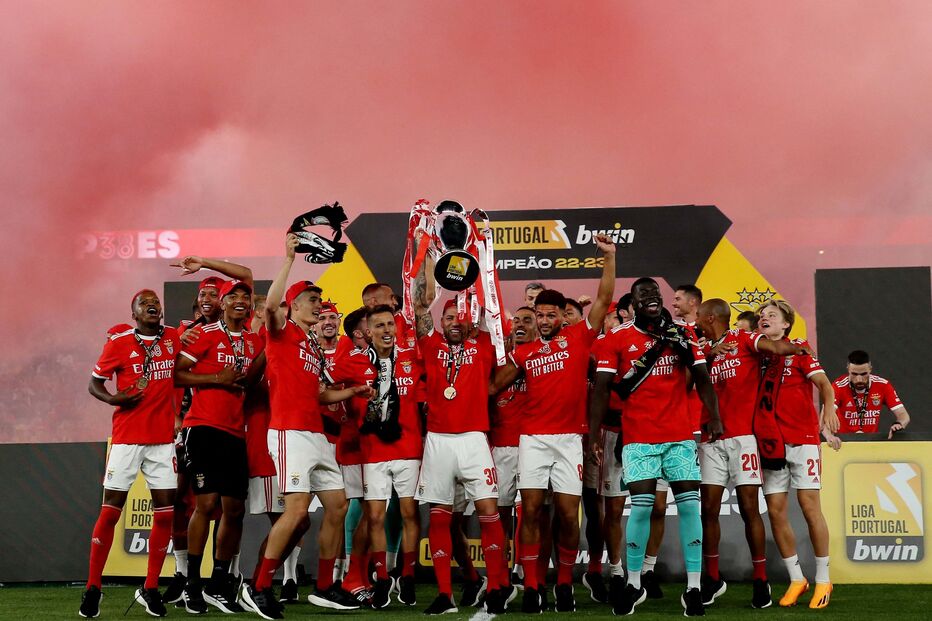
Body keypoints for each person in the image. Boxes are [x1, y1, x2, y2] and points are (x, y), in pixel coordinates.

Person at [244, 234, 371, 619]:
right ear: (294, 306)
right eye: (313, 299)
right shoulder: (280, 332)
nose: (319, 304)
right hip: (289, 433)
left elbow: (318, 395)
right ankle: (259, 585)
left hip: (315, 434)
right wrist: (287, 260)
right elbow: (269, 305)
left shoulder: (311, 345)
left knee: (337, 506)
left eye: (319, 300)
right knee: (297, 512)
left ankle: (326, 586)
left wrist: (353, 389)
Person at [492, 234, 616, 613]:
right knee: (529, 511)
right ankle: (532, 586)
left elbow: (604, 299)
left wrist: (608, 258)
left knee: (566, 514)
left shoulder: (579, 337)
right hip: (532, 440)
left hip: (568, 440)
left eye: (550, 315)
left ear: (562, 316)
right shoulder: (524, 352)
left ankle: (563, 583)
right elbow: (493, 386)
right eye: (539, 315)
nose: (544, 321)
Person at [590, 277, 723, 617]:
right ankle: (634, 583)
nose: (651, 296)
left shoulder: (682, 334)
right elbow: (602, 389)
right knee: (642, 508)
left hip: (679, 436)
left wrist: (715, 417)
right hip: (638, 438)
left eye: (655, 292)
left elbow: (703, 378)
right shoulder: (616, 339)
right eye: (642, 293)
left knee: (690, 509)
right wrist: (593, 436)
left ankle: (693, 587)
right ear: (632, 304)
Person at [694, 298, 813, 609]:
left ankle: (760, 580)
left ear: (710, 317)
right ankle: (712, 577)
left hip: (744, 439)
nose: (696, 320)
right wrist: (706, 352)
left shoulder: (743, 339)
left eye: (699, 316)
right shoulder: (703, 349)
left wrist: (793, 348)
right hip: (710, 439)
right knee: (708, 509)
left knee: (749, 508)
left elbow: (773, 348)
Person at [413, 247, 509, 615]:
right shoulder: (429, 343)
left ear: (472, 319)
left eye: (461, 316)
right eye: (449, 316)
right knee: (439, 516)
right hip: (437, 440)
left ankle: (498, 586)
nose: (455, 320)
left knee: (488, 511)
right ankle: (444, 595)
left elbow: (492, 303)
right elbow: (421, 305)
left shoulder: (483, 342)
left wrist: (481, 251)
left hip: (473, 439)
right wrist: (424, 249)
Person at [80, 290, 180, 618]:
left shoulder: (173, 338)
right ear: (134, 313)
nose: (153, 305)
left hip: (162, 442)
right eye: (145, 303)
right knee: (110, 513)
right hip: (127, 441)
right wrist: (112, 399)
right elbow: (95, 383)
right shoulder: (119, 343)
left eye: (156, 302)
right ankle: (93, 588)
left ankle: (150, 588)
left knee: (165, 515)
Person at [175, 279, 265, 614]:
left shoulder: (254, 340)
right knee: (206, 503)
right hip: (203, 428)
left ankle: (217, 581)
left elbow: (252, 382)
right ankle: (192, 583)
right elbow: (177, 375)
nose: (240, 300)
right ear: (223, 303)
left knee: (235, 510)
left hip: (235, 433)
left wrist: (263, 357)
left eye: (246, 296)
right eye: (234, 296)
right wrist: (216, 379)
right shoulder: (206, 333)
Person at [326, 305, 424, 609]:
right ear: (368, 332)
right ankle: (382, 579)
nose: (385, 331)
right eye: (378, 326)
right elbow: (321, 383)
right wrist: (348, 396)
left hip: (408, 447)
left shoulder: (410, 357)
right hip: (372, 451)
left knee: (408, 513)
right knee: (375, 517)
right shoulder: (353, 361)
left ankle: (406, 576)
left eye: (389, 325)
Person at [757, 300, 840, 609]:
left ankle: (822, 578)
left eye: (772, 316)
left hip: (803, 440)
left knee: (809, 508)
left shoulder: (800, 350)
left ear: (785, 325)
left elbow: (824, 384)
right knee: (776, 511)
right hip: (770, 444)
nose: (765, 319)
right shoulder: (758, 353)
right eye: (763, 316)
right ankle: (796, 579)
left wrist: (828, 408)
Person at [489, 307, 536, 595]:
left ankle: (526, 571)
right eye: (516, 321)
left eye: (526, 320)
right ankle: (501, 572)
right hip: (502, 445)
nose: (520, 325)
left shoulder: (542, 358)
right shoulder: (498, 360)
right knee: (501, 512)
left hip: (533, 444)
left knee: (531, 512)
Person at [833, 350, 910, 437]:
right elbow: (827, 415)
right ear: (848, 369)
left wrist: (898, 424)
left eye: (863, 374)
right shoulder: (839, 386)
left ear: (870, 369)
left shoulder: (883, 385)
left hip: (870, 442)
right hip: (843, 443)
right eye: (854, 374)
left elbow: (903, 415)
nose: (859, 379)